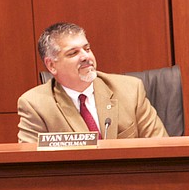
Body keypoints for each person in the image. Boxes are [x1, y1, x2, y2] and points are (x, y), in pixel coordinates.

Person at [17, 22, 168, 143]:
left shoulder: (131, 90)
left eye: (87, 49)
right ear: (51, 65)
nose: (85, 57)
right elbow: (31, 163)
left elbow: (161, 147)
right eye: (73, 53)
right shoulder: (35, 105)